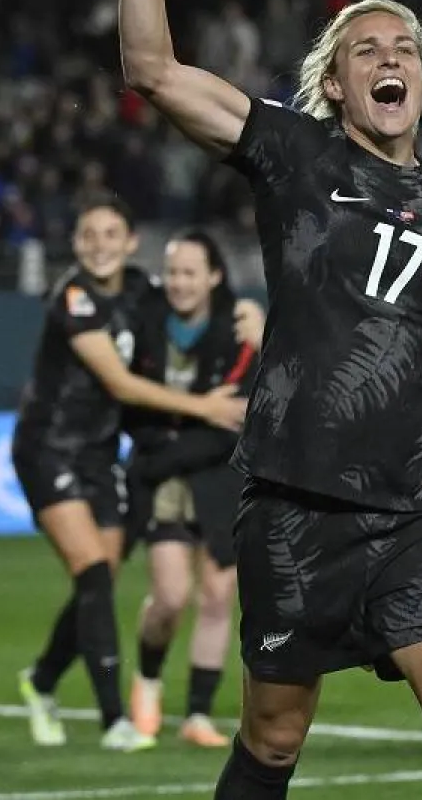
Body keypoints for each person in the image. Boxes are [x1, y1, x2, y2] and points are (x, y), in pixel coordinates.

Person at [120, 0, 422, 799]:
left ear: (421, 75)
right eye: (366, 48)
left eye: (406, 48)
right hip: (296, 500)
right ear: (337, 84)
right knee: (273, 733)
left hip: (417, 509)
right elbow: (152, 72)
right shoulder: (295, 154)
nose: (391, 58)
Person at [13, 195, 245, 754]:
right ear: (74, 243)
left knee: (100, 583)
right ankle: (114, 718)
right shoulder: (73, 298)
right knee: (94, 574)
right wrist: (205, 409)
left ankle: (41, 681)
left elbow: (200, 305)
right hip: (49, 451)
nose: (99, 245)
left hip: (98, 458)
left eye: (110, 234)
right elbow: (119, 384)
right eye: (89, 235)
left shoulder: (142, 291)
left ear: (129, 241)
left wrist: (251, 318)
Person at [125, 230, 262, 749]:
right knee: (169, 598)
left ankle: (198, 715)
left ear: (214, 276)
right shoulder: (145, 323)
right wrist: (203, 414)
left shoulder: (240, 325)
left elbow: (249, 409)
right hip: (163, 474)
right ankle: (148, 679)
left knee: (218, 593)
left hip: (220, 472)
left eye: (190, 272)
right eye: (173, 272)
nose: (179, 283)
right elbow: (137, 406)